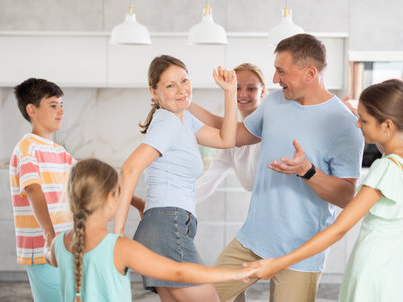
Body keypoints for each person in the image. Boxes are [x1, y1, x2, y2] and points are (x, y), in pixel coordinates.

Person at [212, 34, 365, 302]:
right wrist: (183, 109)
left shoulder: (345, 125)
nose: (274, 79)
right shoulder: (274, 103)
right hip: (251, 241)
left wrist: (307, 170)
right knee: (200, 297)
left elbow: (346, 196)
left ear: (310, 73)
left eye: (281, 71)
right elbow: (233, 136)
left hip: (300, 254)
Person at [250, 79, 403, 302]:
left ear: (387, 125)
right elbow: (387, 143)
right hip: (394, 271)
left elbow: (338, 229)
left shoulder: (385, 168)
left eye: (363, 121)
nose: (357, 125)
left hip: (371, 270)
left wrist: (278, 263)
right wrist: (355, 112)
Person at [44, 158, 259, 302]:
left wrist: (47, 237)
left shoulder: (58, 245)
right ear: (111, 197)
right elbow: (179, 272)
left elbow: (48, 255)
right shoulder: (119, 248)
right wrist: (237, 272)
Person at [113, 55, 238, 302]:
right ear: (154, 92)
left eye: (184, 80)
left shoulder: (185, 120)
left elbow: (227, 140)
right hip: (167, 225)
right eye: (170, 85)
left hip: (164, 224)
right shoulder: (168, 122)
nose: (181, 89)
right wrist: (117, 235)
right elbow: (129, 169)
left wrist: (230, 92)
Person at [9, 78, 74, 302]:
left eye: (61, 105)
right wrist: (49, 234)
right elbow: (34, 191)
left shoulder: (59, 152)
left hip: (64, 244)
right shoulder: (27, 148)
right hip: (43, 248)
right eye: (53, 105)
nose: (61, 111)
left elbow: (89, 177)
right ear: (32, 110)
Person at [189, 63, 266, 202]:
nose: (243, 94)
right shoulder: (231, 141)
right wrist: (173, 203)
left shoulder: (267, 124)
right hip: (260, 204)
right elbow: (209, 181)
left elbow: (219, 125)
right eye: (237, 88)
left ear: (262, 91)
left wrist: (183, 103)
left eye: (251, 88)